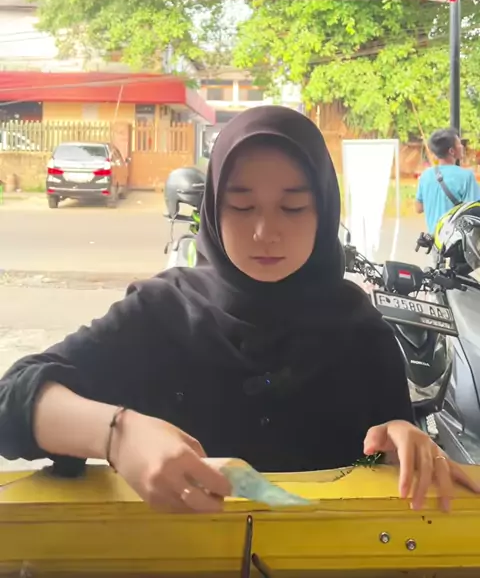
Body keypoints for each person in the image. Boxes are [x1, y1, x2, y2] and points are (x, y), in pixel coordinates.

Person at [0, 107, 478, 515]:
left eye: (293, 208)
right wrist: (117, 434)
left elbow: (370, 472)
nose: (265, 232)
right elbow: (12, 398)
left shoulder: (361, 331)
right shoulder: (159, 314)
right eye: (242, 207)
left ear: (324, 213)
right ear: (212, 209)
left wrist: (397, 448)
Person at [416, 128, 480, 234]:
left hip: (434, 240)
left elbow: (418, 208)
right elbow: (475, 209)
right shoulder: (466, 176)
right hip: (458, 241)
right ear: (451, 151)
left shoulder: (425, 175)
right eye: (459, 144)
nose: (462, 146)